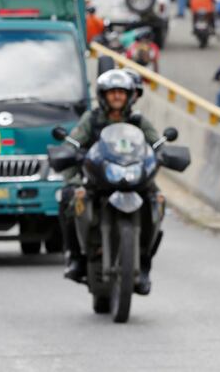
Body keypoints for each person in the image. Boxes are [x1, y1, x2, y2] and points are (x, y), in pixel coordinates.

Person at [59, 69, 161, 294]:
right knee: (68, 197)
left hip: (133, 177)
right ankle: (75, 258)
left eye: (121, 92)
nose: (117, 96)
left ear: (129, 96)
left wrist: (163, 153)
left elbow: (157, 144)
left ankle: (144, 264)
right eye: (112, 92)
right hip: (98, 178)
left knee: (157, 201)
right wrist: (71, 155)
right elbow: (73, 143)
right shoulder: (91, 119)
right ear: (103, 95)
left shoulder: (138, 120)